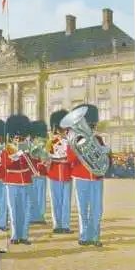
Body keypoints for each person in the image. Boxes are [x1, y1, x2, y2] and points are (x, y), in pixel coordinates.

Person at [66, 104, 111, 246]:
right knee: (83, 209)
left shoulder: (97, 139)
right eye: (89, 123)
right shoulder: (74, 139)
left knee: (97, 209)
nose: (92, 126)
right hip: (81, 177)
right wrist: (76, 148)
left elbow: (106, 160)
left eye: (92, 124)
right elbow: (70, 159)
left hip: (97, 178)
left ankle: (95, 237)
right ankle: (84, 236)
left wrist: (105, 151)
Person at [2, 115, 34, 245]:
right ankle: (15, 235)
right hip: (12, 181)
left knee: (26, 209)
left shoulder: (26, 148)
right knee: (13, 209)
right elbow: (5, 164)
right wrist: (16, 155)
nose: (18, 139)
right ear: (11, 137)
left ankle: (24, 235)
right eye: (16, 137)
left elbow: (33, 163)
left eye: (20, 137)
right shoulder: (7, 149)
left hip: (26, 180)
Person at [46, 109, 73, 234]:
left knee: (66, 201)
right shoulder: (51, 142)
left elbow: (72, 158)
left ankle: (65, 225)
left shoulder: (70, 142)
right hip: (54, 174)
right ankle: (57, 225)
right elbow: (47, 156)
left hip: (67, 174)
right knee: (55, 200)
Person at [28, 120, 49, 224]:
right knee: (31, 196)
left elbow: (46, 158)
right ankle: (32, 216)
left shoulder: (44, 143)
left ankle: (40, 216)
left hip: (41, 173)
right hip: (31, 173)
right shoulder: (29, 144)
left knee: (41, 196)